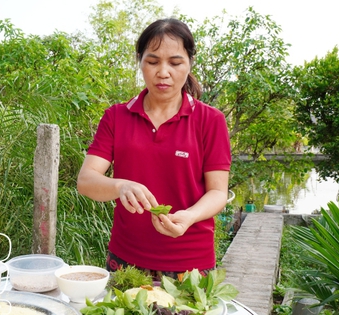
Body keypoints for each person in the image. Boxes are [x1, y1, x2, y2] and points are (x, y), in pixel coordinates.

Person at [76, 18, 231, 281]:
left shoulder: (210, 120)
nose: (163, 72)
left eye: (175, 62)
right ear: (140, 61)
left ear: (190, 62)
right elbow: (86, 181)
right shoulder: (116, 116)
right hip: (126, 260)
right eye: (152, 61)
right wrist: (119, 186)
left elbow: (218, 192)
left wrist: (190, 216)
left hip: (190, 263)